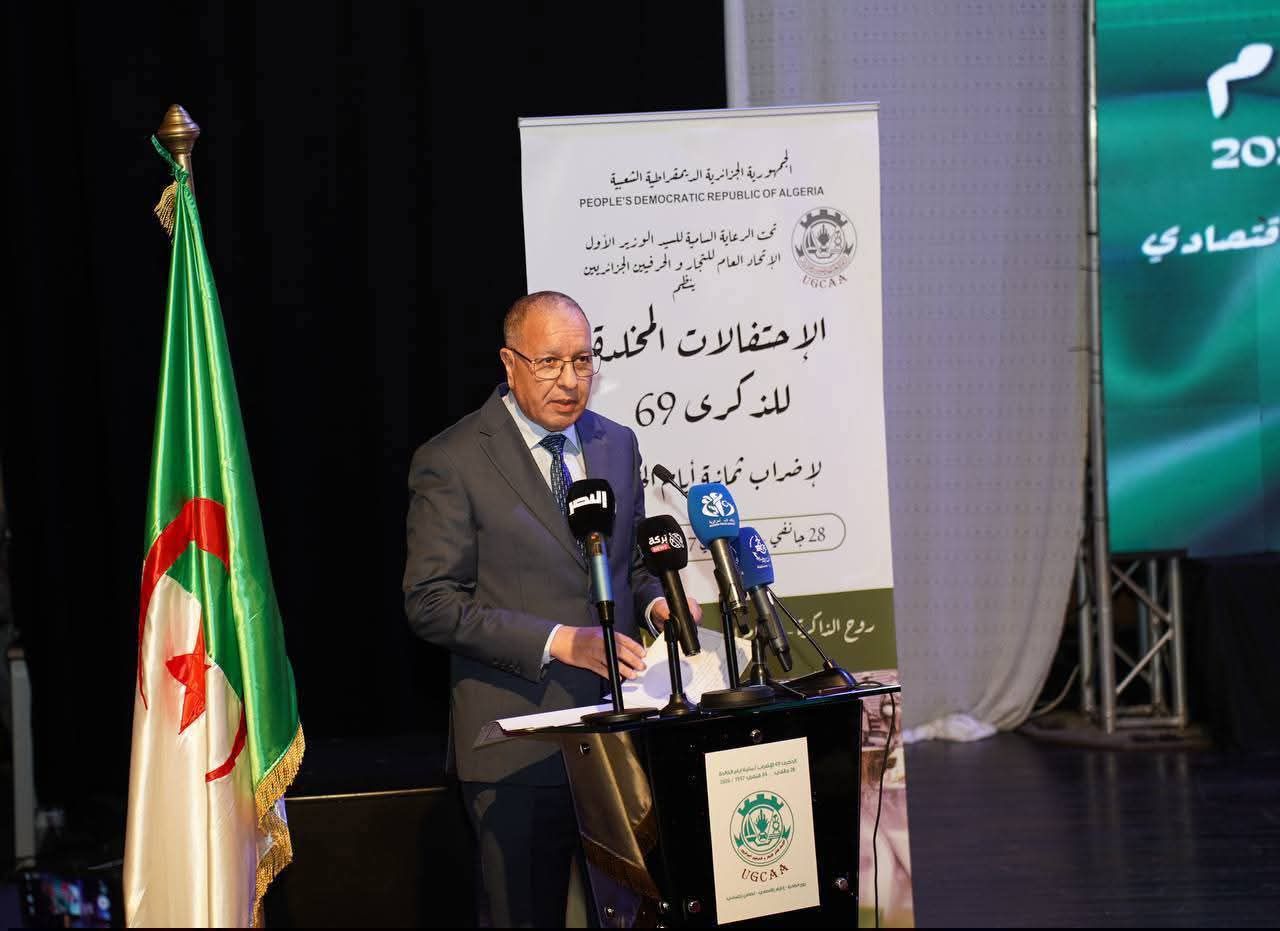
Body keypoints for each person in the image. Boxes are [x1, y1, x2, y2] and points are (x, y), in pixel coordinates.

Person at [403, 291, 699, 927]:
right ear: (510, 364)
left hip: (620, 741)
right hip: (517, 746)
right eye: (550, 363)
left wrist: (658, 603)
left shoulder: (615, 443)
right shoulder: (452, 459)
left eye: (583, 361)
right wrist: (559, 640)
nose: (570, 380)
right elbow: (430, 603)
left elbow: (631, 563)